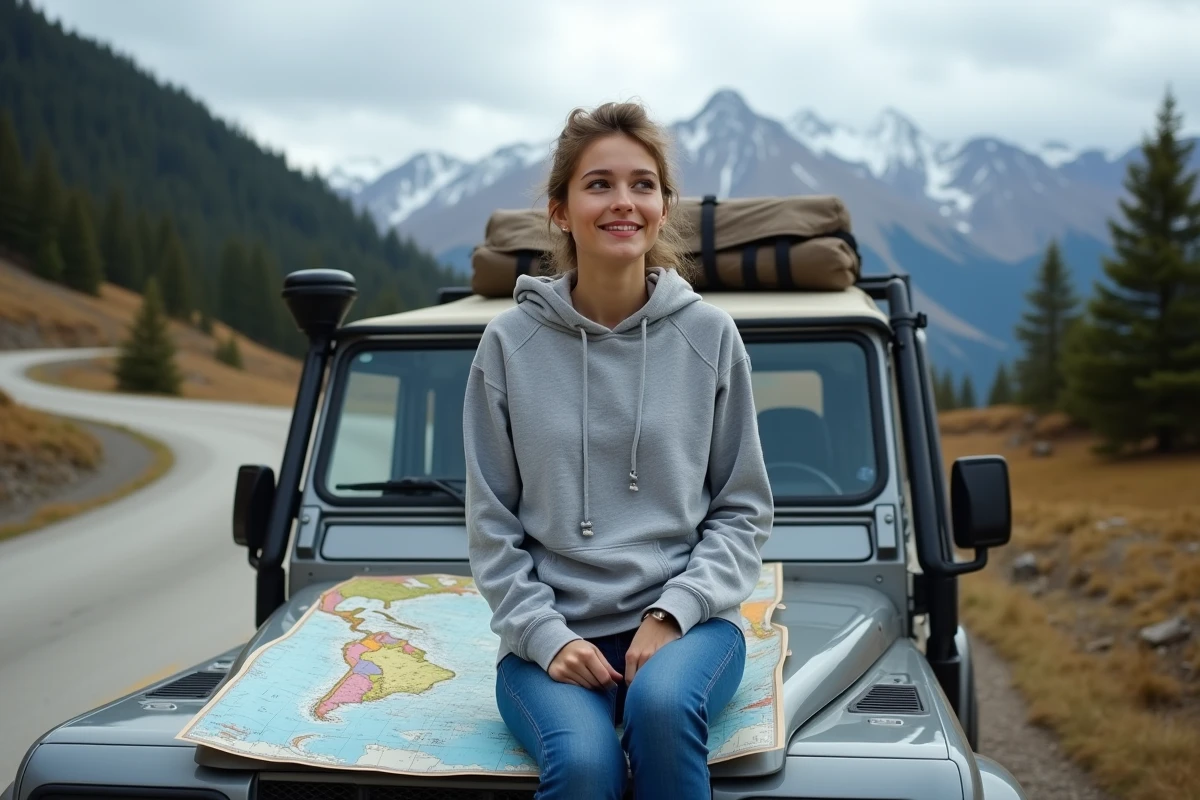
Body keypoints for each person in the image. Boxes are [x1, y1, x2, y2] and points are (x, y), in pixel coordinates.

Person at [463, 100, 774, 800]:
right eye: (598, 184)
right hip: (550, 639)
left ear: (664, 208)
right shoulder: (508, 346)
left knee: (661, 708)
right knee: (583, 766)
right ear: (561, 210)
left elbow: (742, 509)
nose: (622, 202)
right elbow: (491, 526)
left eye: (642, 184)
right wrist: (545, 638)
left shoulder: (711, 337)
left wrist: (673, 612)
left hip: (688, 630)